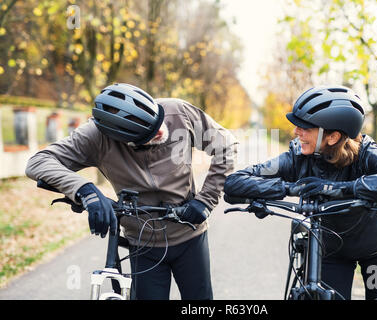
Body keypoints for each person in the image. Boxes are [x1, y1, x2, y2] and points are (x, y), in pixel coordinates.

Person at [26, 83, 238, 300]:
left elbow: (226, 146)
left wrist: (205, 201)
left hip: (190, 235)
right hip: (143, 244)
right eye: (151, 136)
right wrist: (85, 190)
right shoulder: (97, 136)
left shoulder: (178, 112)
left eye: (159, 123)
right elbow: (38, 162)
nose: (161, 132)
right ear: (123, 140)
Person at [223, 85, 377, 300]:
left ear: (333, 137)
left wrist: (344, 189)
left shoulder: (365, 153)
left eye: (305, 128)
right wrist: (289, 188)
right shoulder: (297, 158)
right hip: (332, 250)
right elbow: (235, 183)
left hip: (375, 248)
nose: (296, 132)